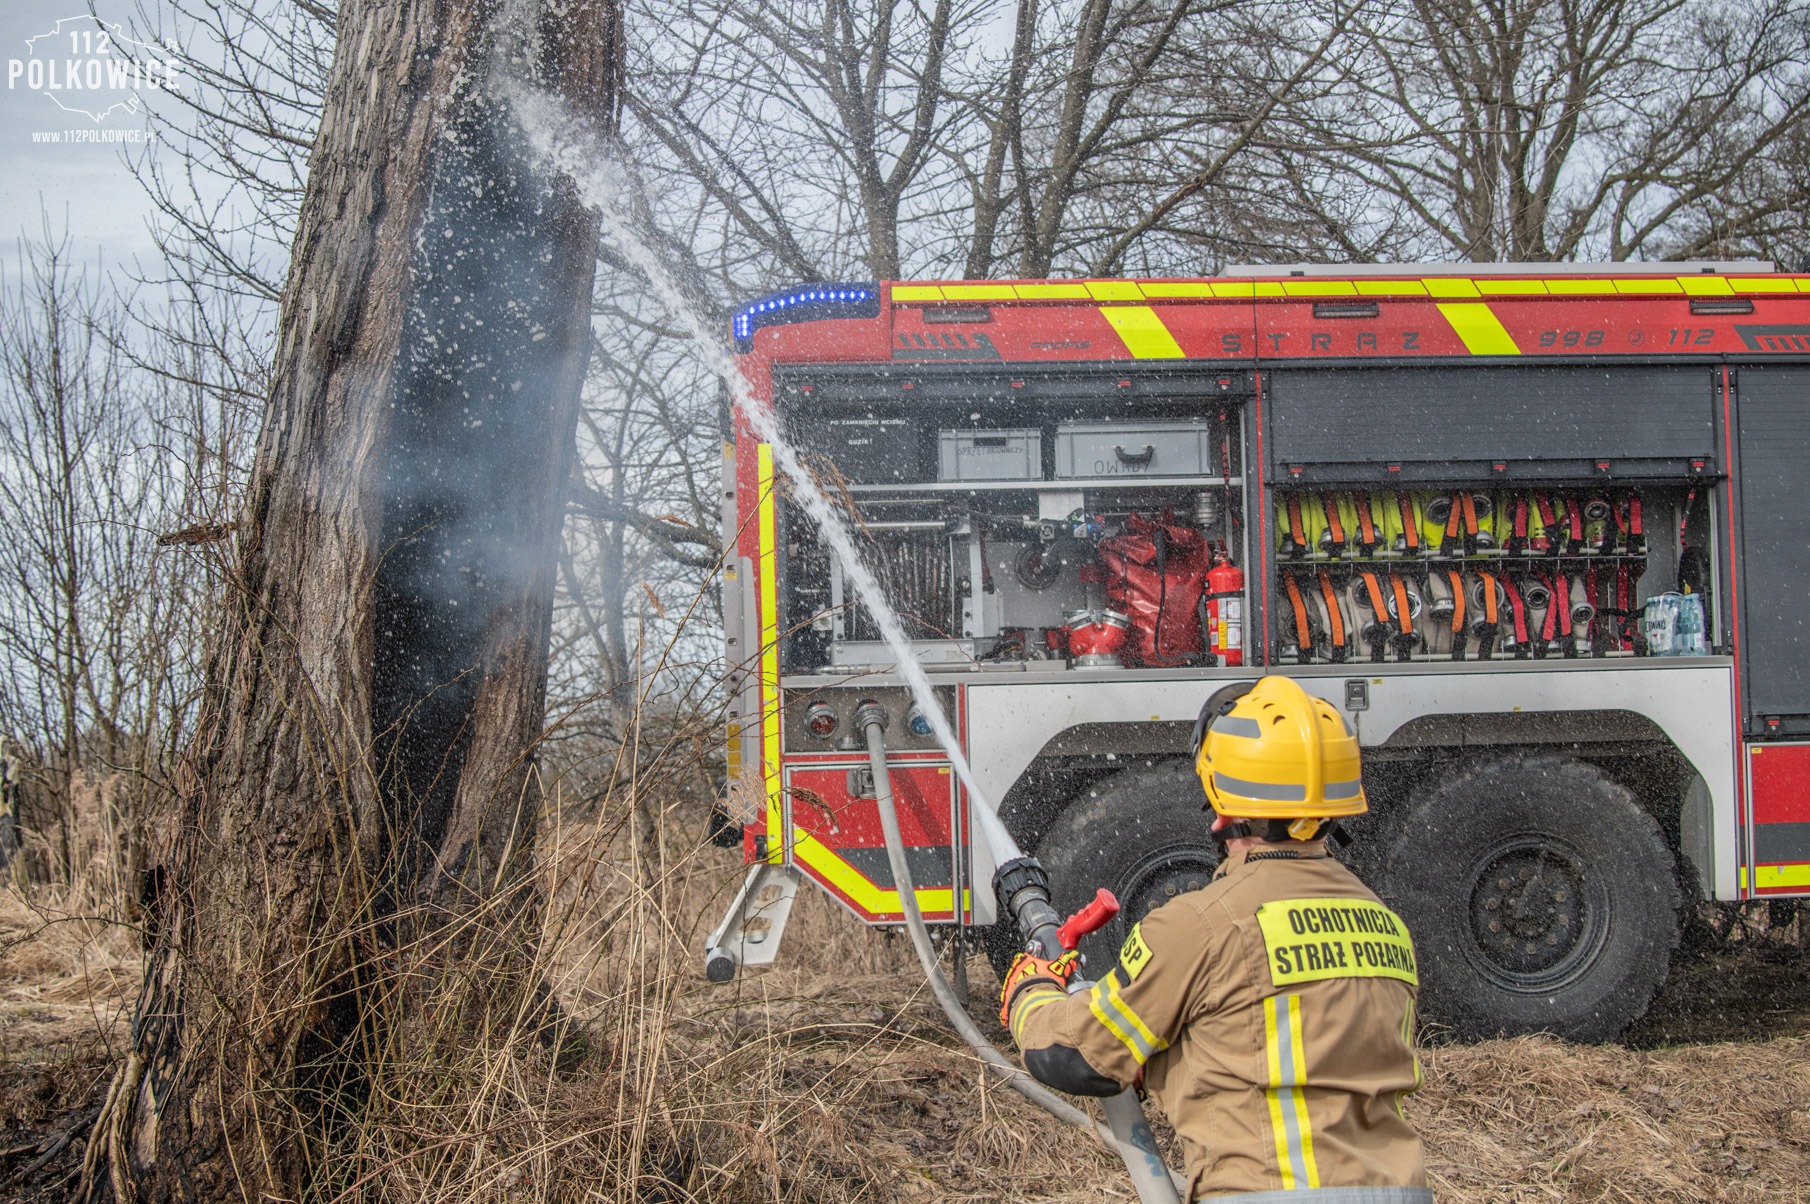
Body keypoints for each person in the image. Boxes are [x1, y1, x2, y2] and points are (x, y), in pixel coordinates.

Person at [1000, 675, 1430, 1201]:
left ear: (1221, 803)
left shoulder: (1201, 926)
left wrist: (1031, 991)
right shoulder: (1383, 922)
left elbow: (1073, 1056)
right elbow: (1289, 1044)